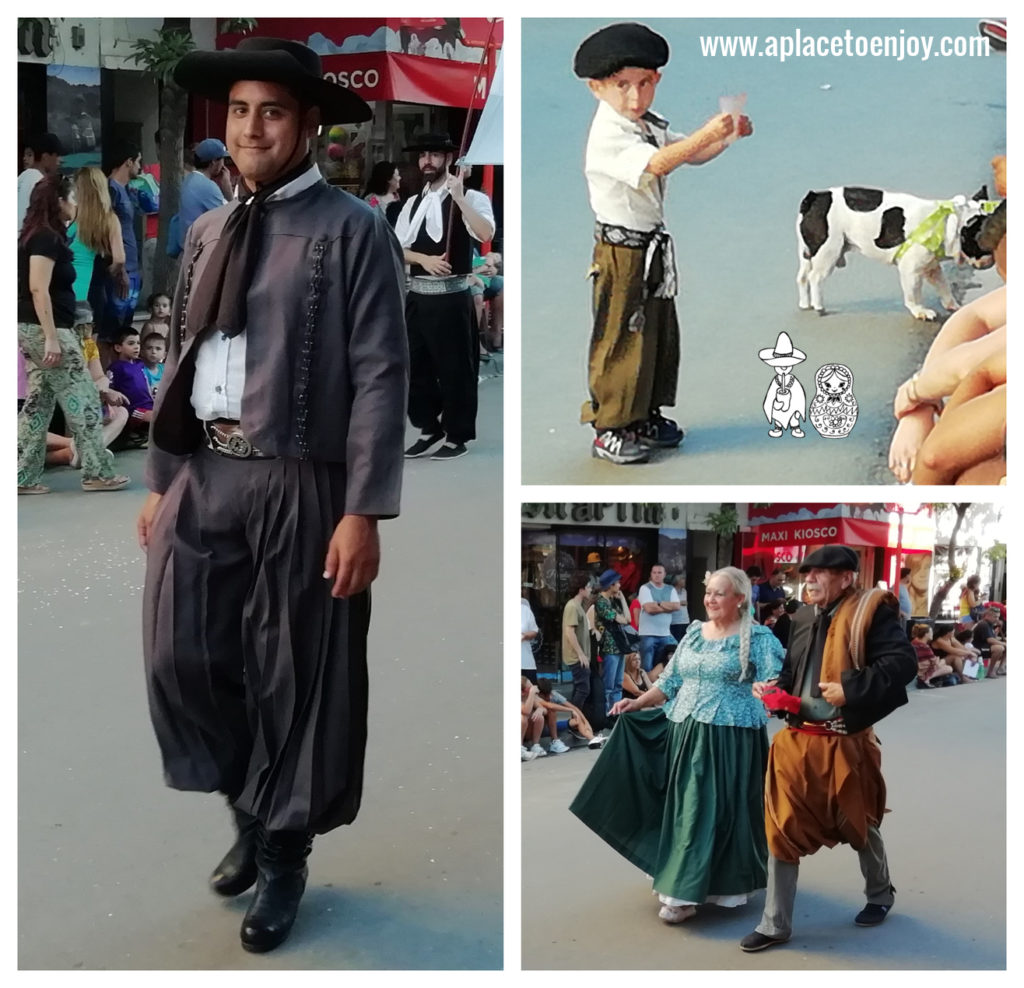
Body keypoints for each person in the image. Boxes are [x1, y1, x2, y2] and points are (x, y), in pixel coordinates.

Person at [135, 37, 408, 954]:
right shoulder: (209, 228)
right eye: (241, 111)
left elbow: (378, 373)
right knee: (184, 655)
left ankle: (283, 850)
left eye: (274, 112)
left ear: (308, 126)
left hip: (301, 477)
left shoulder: (352, 229)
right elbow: (182, 352)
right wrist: (163, 478)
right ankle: (247, 808)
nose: (252, 128)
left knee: (297, 667)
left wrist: (362, 508)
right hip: (204, 471)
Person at [574, 22, 752, 464]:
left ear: (657, 81)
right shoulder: (610, 133)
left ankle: (644, 413)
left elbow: (685, 153)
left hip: (649, 246)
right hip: (621, 252)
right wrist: (707, 133)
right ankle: (610, 425)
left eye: (644, 84)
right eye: (622, 86)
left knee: (656, 332)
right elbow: (658, 164)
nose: (635, 97)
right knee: (619, 335)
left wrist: (726, 137)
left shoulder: (642, 123)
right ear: (596, 87)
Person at [571, 567, 784, 923]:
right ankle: (683, 881)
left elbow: (774, 683)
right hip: (684, 731)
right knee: (688, 806)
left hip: (731, 736)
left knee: (712, 809)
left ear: (739, 599)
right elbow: (669, 681)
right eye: (709, 592)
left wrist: (770, 691)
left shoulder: (759, 638)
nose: (710, 599)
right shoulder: (693, 634)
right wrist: (637, 702)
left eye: (719, 593)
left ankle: (688, 891)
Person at [739, 545, 916, 952]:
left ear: (846, 578)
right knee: (780, 828)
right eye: (808, 573)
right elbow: (791, 670)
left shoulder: (873, 612)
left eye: (820, 573)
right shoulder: (801, 616)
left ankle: (880, 893)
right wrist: (775, 689)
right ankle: (775, 923)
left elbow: (902, 665)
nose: (811, 580)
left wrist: (850, 689)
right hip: (796, 741)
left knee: (858, 823)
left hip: (845, 743)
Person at [17, 175, 130, 494]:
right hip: (49, 330)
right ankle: (97, 471)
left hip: (39, 328)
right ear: (59, 202)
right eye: (72, 198)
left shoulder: (41, 236)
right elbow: (38, 289)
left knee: (38, 404)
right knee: (84, 399)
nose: (76, 204)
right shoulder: (46, 238)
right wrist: (52, 336)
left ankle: (23, 476)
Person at [395, 134, 495, 461]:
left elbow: (485, 234)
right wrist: (423, 260)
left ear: (448, 159)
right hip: (418, 297)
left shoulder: (472, 198)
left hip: (452, 297)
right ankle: (428, 426)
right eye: (423, 155)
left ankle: (458, 434)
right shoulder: (411, 204)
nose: (427, 161)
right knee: (412, 367)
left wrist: (461, 197)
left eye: (435, 155)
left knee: (455, 369)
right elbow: (397, 247)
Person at [99, 140, 144, 342]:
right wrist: (121, 270)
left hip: (133, 266)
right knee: (113, 330)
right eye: (138, 162)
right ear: (128, 162)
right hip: (121, 268)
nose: (140, 167)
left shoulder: (126, 190)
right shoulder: (111, 190)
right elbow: (106, 232)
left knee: (125, 327)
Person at [593, 568, 635, 713]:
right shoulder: (601, 602)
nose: (619, 586)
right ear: (610, 585)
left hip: (620, 645)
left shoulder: (613, 600)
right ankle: (606, 713)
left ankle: (615, 712)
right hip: (610, 647)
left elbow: (628, 619)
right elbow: (622, 620)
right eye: (617, 583)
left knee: (618, 684)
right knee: (609, 685)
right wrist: (623, 618)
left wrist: (622, 599)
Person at [107, 328, 155, 431]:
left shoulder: (140, 364)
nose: (136, 346)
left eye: (138, 343)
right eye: (131, 343)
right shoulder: (116, 368)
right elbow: (108, 389)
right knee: (158, 419)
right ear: (118, 348)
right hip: (134, 409)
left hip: (151, 406)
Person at [179, 137, 230, 233]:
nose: (223, 165)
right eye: (223, 159)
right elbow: (232, 217)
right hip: (200, 245)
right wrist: (227, 187)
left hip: (189, 242)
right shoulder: (206, 186)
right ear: (214, 161)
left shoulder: (190, 179)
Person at [636, 563, 681, 672]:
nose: (657, 575)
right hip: (647, 634)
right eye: (654, 572)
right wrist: (667, 606)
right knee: (646, 666)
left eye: (659, 572)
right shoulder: (645, 588)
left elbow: (677, 606)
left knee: (661, 667)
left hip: (664, 634)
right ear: (651, 574)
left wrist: (658, 604)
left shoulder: (670, 589)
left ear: (664, 574)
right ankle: (646, 688)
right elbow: (649, 609)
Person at [18, 133, 63, 233]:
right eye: (57, 156)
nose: (60, 161)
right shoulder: (34, 178)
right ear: (46, 157)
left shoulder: (28, 177)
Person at [562, 576, 593, 711]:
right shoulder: (572, 606)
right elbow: (569, 631)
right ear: (581, 589)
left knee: (579, 688)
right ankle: (575, 721)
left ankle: (575, 722)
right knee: (583, 689)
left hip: (581, 655)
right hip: (576, 656)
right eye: (588, 586)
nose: (591, 589)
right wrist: (580, 654)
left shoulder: (578, 606)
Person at [911, 624, 956, 688]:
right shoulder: (924, 646)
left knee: (943, 663)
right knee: (948, 668)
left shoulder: (914, 642)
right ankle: (926, 679)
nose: (932, 634)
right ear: (926, 634)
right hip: (921, 670)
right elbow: (935, 663)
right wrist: (942, 661)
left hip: (917, 667)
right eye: (931, 632)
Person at [971, 607, 1006, 678]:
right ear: (987, 616)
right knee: (999, 648)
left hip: (985, 646)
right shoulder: (984, 624)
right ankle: (990, 671)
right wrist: (1004, 644)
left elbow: (992, 638)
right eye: (995, 617)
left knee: (1004, 646)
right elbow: (990, 640)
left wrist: (997, 631)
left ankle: (1001, 668)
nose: (997, 619)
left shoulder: (989, 624)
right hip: (978, 647)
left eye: (998, 617)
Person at [522, 590, 540, 684]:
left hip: (525, 661)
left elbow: (534, 631)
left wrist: (524, 636)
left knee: (532, 690)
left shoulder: (525, 610)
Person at [141, 331, 167, 396]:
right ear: (142, 352)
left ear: (164, 355)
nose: (153, 352)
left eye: (158, 349)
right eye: (149, 348)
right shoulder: (140, 370)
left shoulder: (165, 369)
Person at [669, 574, 689, 641]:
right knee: (676, 641)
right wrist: (680, 603)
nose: (684, 581)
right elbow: (668, 604)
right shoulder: (671, 591)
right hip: (675, 621)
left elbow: (685, 603)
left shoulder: (684, 591)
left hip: (685, 620)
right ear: (677, 581)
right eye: (682, 579)